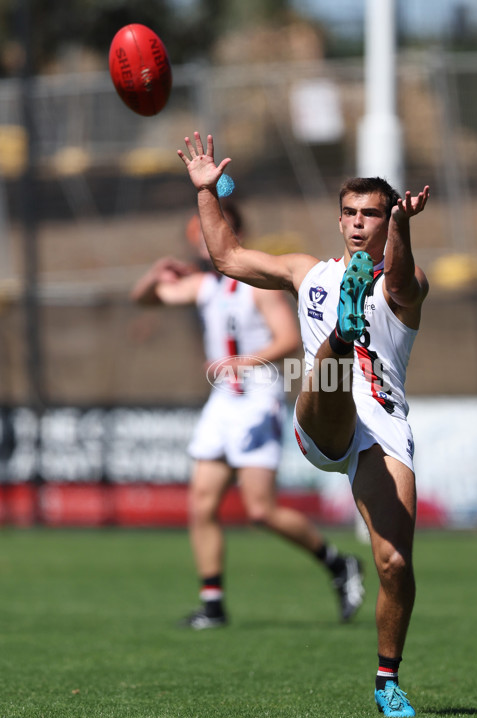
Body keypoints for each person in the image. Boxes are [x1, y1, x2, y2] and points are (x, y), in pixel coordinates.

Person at [177, 133, 430, 718]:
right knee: (331, 370)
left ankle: (387, 680)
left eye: (372, 214)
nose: (358, 223)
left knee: (393, 563)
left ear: (389, 219)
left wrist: (403, 230)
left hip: (383, 429)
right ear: (339, 219)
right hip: (323, 417)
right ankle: (341, 337)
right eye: (350, 213)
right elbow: (227, 258)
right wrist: (207, 191)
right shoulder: (306, 272)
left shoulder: (408, 283)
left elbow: (398, 286)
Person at [130, 201, 366, 631]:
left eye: (206, 231)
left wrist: (244, 361)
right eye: (194, 234)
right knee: (201, 503)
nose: (199, 240)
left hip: (258, 401)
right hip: (222, 405)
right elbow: (145, 299)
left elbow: (289, 339)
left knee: (259, 510)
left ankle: (338, 563)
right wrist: (155, 273)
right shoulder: (205, 286)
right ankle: (213, 604)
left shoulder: (256, 285)